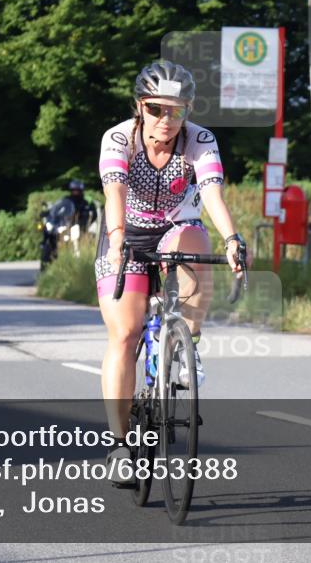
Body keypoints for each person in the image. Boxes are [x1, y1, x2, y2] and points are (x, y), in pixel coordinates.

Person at [97, 60, 246, 479]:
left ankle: (185, 341)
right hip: (125, 232)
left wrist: (233, 240)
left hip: (178, 229)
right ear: (140, 107)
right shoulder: (119, 139)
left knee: (194, 242)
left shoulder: (199, 139)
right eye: (156, 109)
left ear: (188, 110)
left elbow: (214, 196)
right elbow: (114, 192)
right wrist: (115, 242)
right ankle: (121, 446)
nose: (167, 120)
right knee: (125, 333)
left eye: (177, 110)